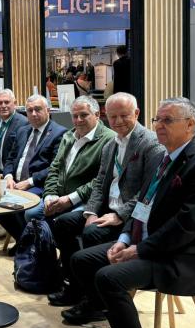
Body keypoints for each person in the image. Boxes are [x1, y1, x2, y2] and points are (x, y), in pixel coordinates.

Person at [70, 97, 195, 328]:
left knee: (108, 278)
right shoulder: (165, 158)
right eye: (157, 120)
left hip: (182, 257)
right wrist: (124, 238)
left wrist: (138, 250)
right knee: (81, 260)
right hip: (150, 245)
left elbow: (187, 227)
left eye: (168, 120)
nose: (159, 126)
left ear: (190, 125)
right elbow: (142, 205)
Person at [52, 93, 162, 309]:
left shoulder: (151, 144)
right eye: (113, 117)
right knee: (63, 223)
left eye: (124, 115)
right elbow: (100, 182)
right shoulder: (110, 145)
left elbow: (147, 193)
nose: (118, 121)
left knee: (92, 233)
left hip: (130, 218)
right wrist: (90, 212)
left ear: (136, 113)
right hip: (105, 209)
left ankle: (97, 301)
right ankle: (76, 287)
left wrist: (120, 215)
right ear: (105, 117)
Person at [28, 96, 114, 289]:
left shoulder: (108, 140)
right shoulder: (69, 135)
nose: (78, 120)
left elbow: (100, 181)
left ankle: (72, 274)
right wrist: (49, 195)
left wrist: (70, 199)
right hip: (59, 195)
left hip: (86, 200)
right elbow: (55, 168)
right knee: (32, 213)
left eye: (84, 115)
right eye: (74, 116)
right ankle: (49, 268)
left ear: (97, 115)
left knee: (61, 222)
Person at [0, 95, 67, 248]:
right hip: (14, 183)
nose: (33, 114)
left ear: (48, 110)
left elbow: (55, 167)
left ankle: (26, 245)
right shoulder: (23, 131)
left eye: (38, 109)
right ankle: (25, 242)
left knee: (17, 204)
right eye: (30, 111)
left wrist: (29, 182)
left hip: (38, 184)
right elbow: (10, 159)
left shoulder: (59, 133)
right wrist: (8, 176)